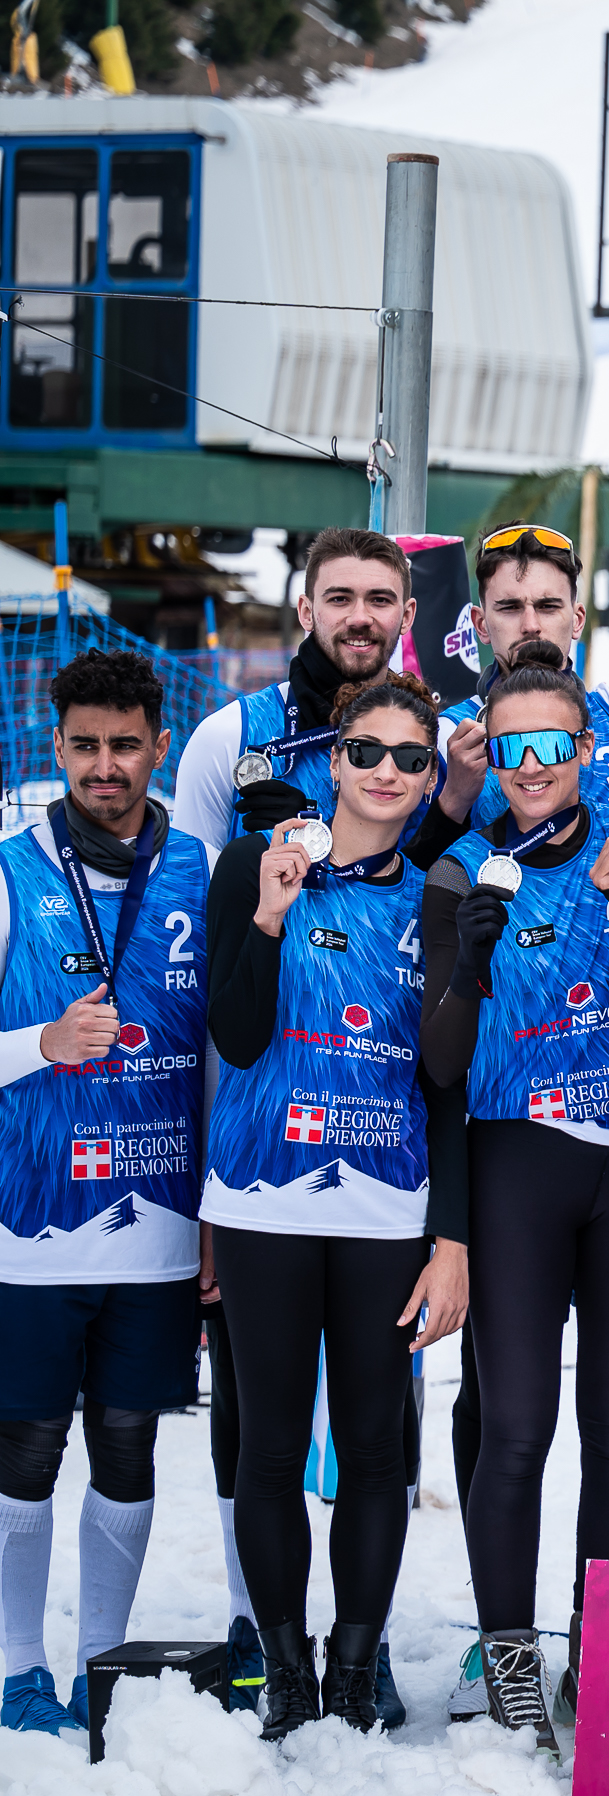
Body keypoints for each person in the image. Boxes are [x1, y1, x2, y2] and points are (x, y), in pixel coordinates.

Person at [420, 639, 609, 1757]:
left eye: (552, 744)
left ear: (587, 750)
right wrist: (469, 968)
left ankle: (600, 1644)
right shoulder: (463, 871)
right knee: (518, 1425)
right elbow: (439, 1066)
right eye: (510, 745)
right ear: (488, 750)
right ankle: (511, 1660)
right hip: (516, 1162)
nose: (530, 766)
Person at [200, 673, 467, 1738]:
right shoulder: (251, 865)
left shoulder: (438, 894)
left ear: (432, 773)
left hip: (384, 1209)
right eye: (369, 752)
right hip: (264, 1200)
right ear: (334, 760)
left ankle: (356, 1667)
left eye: (413, 758)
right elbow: (235, 1035)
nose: (389, 774)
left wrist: (451, 1235)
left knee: (377, 1448)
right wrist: (267, 913)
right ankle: (285, 1664)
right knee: (266, 1444)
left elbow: (446, 1084)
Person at [0, 651, 211, 1737]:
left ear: (157, 745)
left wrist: (220, 1202)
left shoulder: (198, 868)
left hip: (161, 1230)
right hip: (31, 1234)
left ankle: (101, 1661)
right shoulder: (9, 869)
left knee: (129, 1442)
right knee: (25, 1450)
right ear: (56, 748)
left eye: (124, 744)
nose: (104, 765)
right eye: (83, 745)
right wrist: (38, 1041)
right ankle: (15, 1664)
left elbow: (223, 1048)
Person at [171, 529, 429, 848]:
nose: (360, 618)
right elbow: (190, 890)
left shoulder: (431, 742)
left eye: (379, 600)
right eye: (339, 599)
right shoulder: (228, 735)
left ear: (406, 616)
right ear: (306, 612)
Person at [435, 528, 609, 839]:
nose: (531, 626)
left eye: (548, 607)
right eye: (510, 607)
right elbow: (410, 876)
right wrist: (454, 798)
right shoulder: (449, 736)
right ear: (481, 625)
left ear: (577, 619)